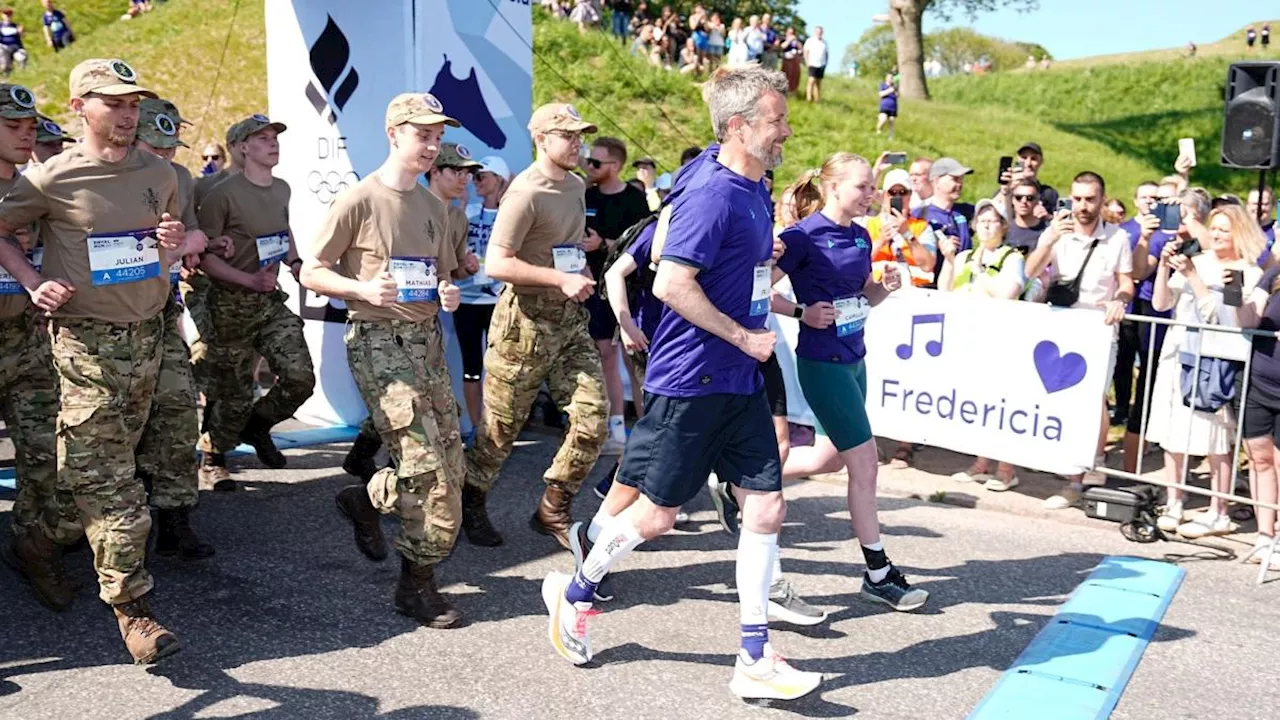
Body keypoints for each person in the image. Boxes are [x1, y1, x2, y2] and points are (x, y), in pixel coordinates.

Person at [541, 65, 822, 701]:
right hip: (692, 377)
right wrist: (745, 336)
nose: (787, 129)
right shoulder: (714, 193)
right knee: (658, 516)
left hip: (739, 379)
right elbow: (670, 283)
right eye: (777, 120)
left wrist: (758, 257)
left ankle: (755, 655)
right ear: (740, 127)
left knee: (768, 504)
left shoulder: (748, 182)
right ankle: (576, 594)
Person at [0, 58, 194, 663]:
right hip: (84, 343)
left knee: (80, 485)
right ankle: (133, 610)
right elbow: (3, 231)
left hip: (147, 337)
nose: (128, 113)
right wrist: (34, 279)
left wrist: (172, 243)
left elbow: (175, 237)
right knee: (113, 482)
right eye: (113, 103)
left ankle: (34, 544)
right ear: (81, 106)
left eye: (133, 103)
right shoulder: (50, 179)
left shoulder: (158, 173)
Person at [303, 92, 469, 628]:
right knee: (426, 472)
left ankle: (366, 498)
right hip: (378, 342)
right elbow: (312, 270)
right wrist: (363, 289)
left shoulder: (434, 208)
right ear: (393, 133)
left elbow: (441, 274)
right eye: (423, 134)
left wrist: (447, 293)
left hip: (427, 343)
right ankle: (416, 587)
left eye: (437, 136)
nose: (432, 145)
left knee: (452, 466)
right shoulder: (359, 199)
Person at [769, 152, 928, 614]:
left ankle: (745, 479)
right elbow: (758, 287)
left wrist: (885, 287)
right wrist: (801, 312)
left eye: (872, 186)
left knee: (827, 458)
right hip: (823, 366)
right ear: (833, 187)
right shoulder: (801, 237)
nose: (871, 194)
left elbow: (861, 301)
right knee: (866, 466)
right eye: (862, 186)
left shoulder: (861, 235)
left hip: (856, 359)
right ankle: (878, 574)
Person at [461, 103, 608, 550]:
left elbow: (562, 248)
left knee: (593, 418)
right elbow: (498, 263)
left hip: (568, 321)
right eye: (568, 136)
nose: (577, 143)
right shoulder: (524, 192)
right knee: (499, 433)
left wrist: (577, 264)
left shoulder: (577, 186)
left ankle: (553, 507)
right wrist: (559, 277)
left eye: (580, 135)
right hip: (522, 325)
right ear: (541, 139)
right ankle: (471, 501)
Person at [195, 114, 315, 491]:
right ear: (242, 147)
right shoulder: (221, 195)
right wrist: (247, 278)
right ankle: (213, 459)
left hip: (268, 301)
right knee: (231, 392)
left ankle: (258, 425)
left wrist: (294, 262)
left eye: (274, 137)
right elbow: (204, 258)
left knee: (300, 377)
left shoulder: (282, 188)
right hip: (229, 304)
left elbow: (283, 228)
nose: (272, 143)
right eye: (261, 138)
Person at [0, 83, 81, 613]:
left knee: (46, 458)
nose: (27, 134)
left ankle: (33, 547)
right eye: (13, 126)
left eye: (31, 126)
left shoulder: (38, 188)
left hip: (27, 342)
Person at [131, 97, 217, 562]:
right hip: (108, 318)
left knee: (179, 407)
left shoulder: (178, 178)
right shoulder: (96, 178)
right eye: (154, 148)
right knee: (119, 426)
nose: (164, 158)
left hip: (162, 309)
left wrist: (192, 246)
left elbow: (192, 236)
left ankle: (176, 519)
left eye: (170, 149)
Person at [1149, 200, 1265, 537]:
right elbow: (1161, 304)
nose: (1216, 235)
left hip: (1215, 359)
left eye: (1224, 230)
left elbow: (1222, 318)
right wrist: (1164, 269)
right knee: (1173, 431)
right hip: (1178, 353)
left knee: (1216, 437)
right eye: (1213, 228)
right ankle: (1174, 501)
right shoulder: (1196, 261)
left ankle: (1219, 509)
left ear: (1239, 233)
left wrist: (1194, 278)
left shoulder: (1247, 271)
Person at [1025, 172, 1134, 510]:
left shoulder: (1118, 238)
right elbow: (1028, 272)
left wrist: (1122, 300)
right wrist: (1048, 241)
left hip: (1099, 329)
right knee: (1060, 399)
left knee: (1094, 400)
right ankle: (1066, 461)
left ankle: (1085, 470)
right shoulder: (1058, 231)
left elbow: (1126, 282)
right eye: (1078, 199)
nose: (1082, 206)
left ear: (1102, 200)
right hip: (1060, 328)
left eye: (1090, 199)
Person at [938, 200, 1026, 491]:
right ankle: (981, 463)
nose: (987, 225)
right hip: (970, 339)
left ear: (1003, 226)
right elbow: (945, 290)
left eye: (994, 220)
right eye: (982, 220)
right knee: (979, 402)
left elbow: (1009, 292)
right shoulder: (965, 256)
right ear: (974, 226)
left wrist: (982, 272)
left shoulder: (1012, 257)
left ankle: (1006, 469)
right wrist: (951, 261)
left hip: (1001, 339)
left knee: (1002, 404)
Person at [584, 136, 650, 456]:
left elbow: (642, 247)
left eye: (596, 163)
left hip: (628, 291)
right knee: (605, 357)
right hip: (594, 288)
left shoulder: (634, 201)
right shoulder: (586, 195)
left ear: (616, 166)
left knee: (633, 358)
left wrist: (604, 244)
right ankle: (616, 429)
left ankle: (647, 430)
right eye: (588, 161)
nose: (589, 167)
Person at [1117, 181, 1173, 468]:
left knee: (1150, 375)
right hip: (1133, 308)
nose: (1152, 203)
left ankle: (1143, 439)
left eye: (1158, 198)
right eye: (1147, 197)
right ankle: (1123, 421)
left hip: (1160, 312)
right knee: (1128, 369)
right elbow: (1132, 271)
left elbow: (1141, 271)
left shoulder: (1170, 233)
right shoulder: (1127, 230)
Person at [866, 168, 937, 288]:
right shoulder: (869, 225)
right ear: (884, 195)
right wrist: (880, 241)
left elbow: (927, 265)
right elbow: (857, 262)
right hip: (877, 291)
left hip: (915, 290)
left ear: (910, 195)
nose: (898, 197)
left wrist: (907, 234)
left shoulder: (922, 227)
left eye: (903, 192)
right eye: (892, 192)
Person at [803, 26, 828, 104]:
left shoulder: (824, 43)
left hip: (821, 64)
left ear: (822, 33)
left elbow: (826, 54)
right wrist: (807, 62)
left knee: (818, 83)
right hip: (812, 63)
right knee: (811, 81)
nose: (819, 33)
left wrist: (825, 63)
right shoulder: (810, 41)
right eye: (817, 32)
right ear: (815, 32)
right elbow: (806, 52)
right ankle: (809, 98)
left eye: (820, 32)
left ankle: (817, 99)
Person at [0, 8, 27, 76]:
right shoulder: (1, 26)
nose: (7, 16)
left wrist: (21, 32)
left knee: (22, 57)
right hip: (4, 48)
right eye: (6, 14)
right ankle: (6, 71)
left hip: (15, 48)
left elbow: (23, 35)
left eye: (9, 14)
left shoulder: (16, 26)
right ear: (2, 16)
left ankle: (22, 75)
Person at [1247, 185, 1275, 250]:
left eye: (1264, 204)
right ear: (1247, 206)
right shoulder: (1237, 229)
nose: (1259, 208)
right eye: (1254, 204)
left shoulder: (1277, 231)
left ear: (1273, 206)